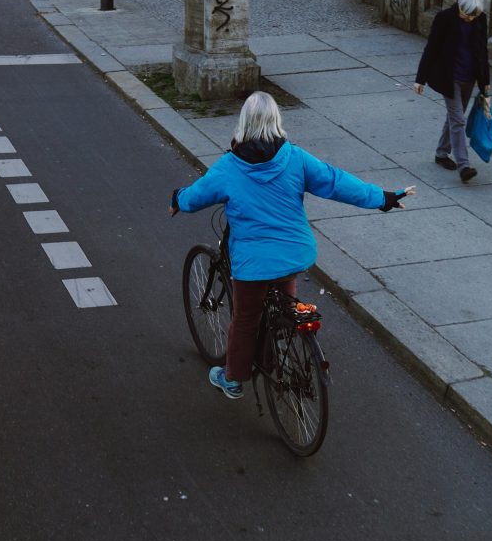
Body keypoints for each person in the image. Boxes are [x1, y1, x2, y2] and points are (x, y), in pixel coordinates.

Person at [171, 92, 415, 399]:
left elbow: (195, 197)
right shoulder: (295, 158)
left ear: (243, 122)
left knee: (246, 320)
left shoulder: (228, 168)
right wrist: (383, 198)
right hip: (295, 254)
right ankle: (279, 347)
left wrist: (176, 200)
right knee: (284, 308)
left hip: (254, 263)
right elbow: (337, 182)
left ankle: (232, 379)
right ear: (276, 121)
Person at [414, 0, 491, 183]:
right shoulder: (444, 19)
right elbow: (431, 48)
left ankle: (441, 153)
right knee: (458, 120)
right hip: (449, 77)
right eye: (467, 15)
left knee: (454, 117)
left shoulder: (480, 19)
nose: (470, 19)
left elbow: (482, 52)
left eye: (474, 16)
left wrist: (485, 83)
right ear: (459, 7)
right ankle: (464, 166)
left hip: (469, 77)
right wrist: (420, 78)